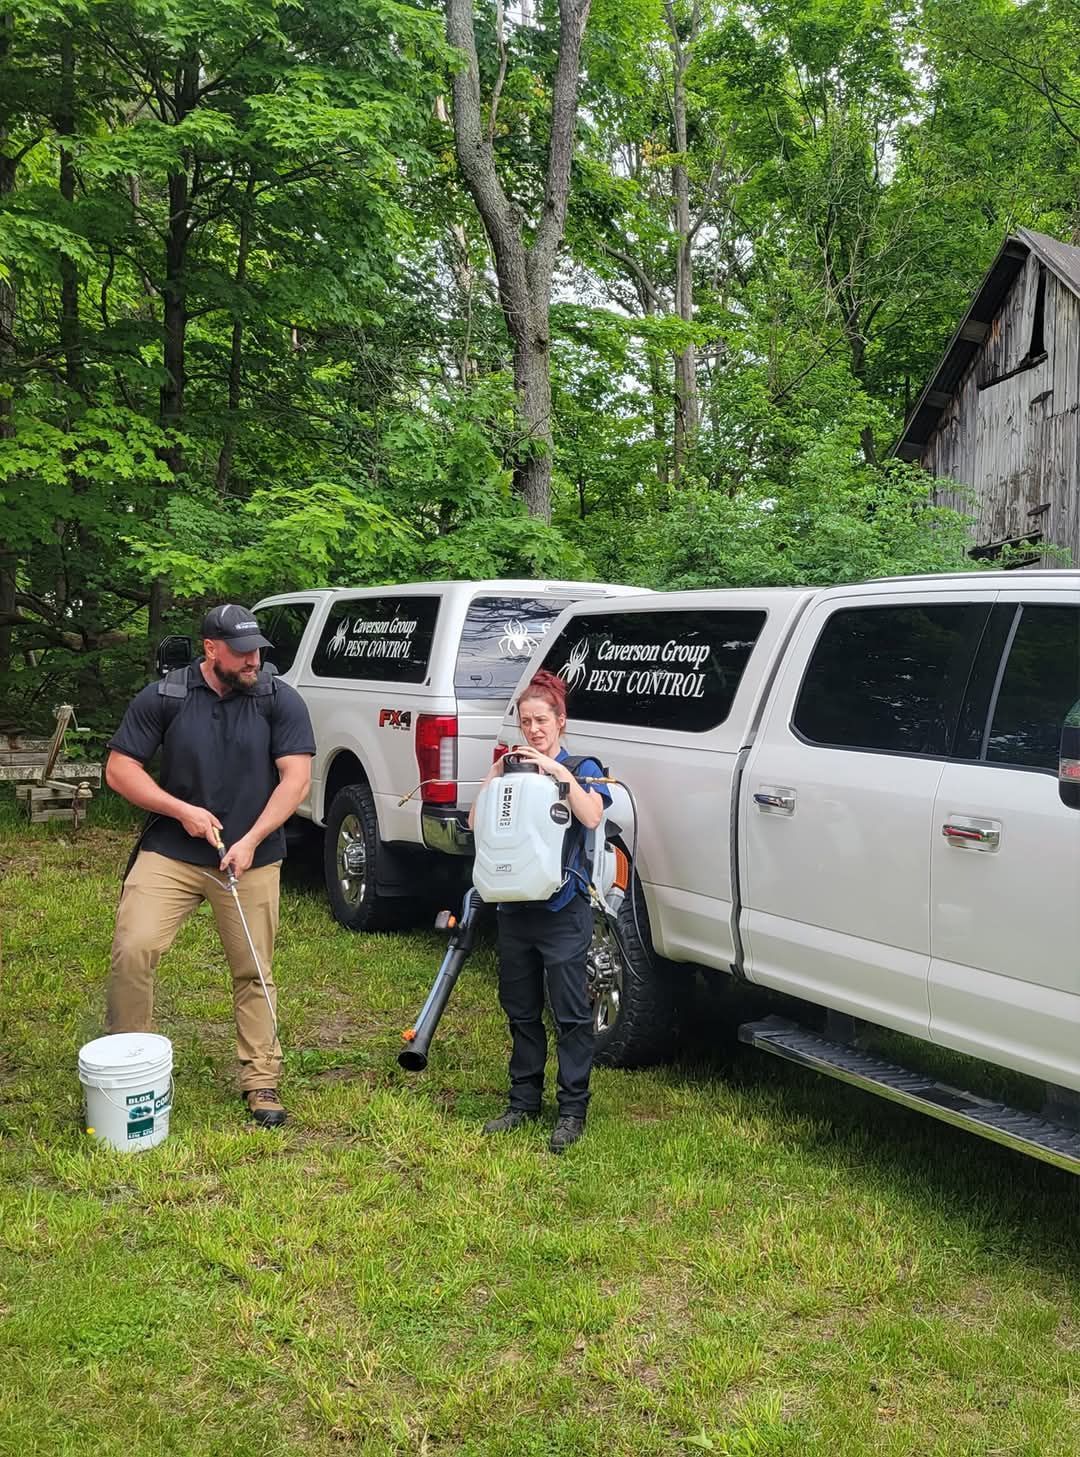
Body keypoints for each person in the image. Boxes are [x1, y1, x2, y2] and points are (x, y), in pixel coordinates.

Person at [104, 604, 316, 1128]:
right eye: (242, 651)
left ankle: (260, 1079)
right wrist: (181, 810)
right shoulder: (167, 696)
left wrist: (252, 839)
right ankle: (130, 1067)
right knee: (134, 947)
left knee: (253, 970)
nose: (254, 660)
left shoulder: (278, 699)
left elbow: (296, 780)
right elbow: (119, 768)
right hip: (173, 850)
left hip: (250, 857)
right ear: (210, 648)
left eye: (258, 650)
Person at [469, 669, 611, 1154]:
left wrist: (558, 772)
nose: (532, 730)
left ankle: (572, 1109)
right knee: (521, 1010)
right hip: (514, 909)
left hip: (562, 909)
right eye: (525, 722)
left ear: (561, 721)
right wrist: (495, 772)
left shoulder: (582, 765)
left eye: (541, 721)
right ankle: (522, 1101)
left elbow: (592, 815)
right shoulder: (511, 770)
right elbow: (475, 823)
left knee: (570, 1014)